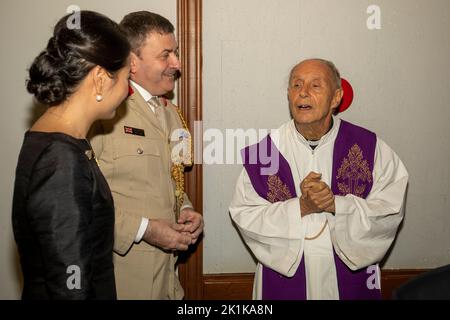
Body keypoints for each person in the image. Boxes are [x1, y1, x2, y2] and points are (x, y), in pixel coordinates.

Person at [229, 58, 408, 300]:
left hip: (350, 283)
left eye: (315, 86)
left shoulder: (371, 148)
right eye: (296, 85)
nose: (303, 93)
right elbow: (245, 215)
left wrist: (336, 204)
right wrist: (302, 207)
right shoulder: (264, 154)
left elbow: (389, 211)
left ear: (336, 98)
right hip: (285, 284)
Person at [12, 11, 131, 299]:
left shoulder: (56, 139)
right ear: (101, 80)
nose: (128, 91)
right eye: (127, 78)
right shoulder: (61, 159)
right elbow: (70, 286)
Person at [89, 11, 203, 300]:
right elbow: (80, 204)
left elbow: (171, 182)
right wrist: (145, 230)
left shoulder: (171, 114)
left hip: (167, 281)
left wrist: (186, 211)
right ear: (132, 61)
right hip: (119, 281)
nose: (177, 63)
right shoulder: (102, 115)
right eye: (166, 55)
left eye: (175, 53)